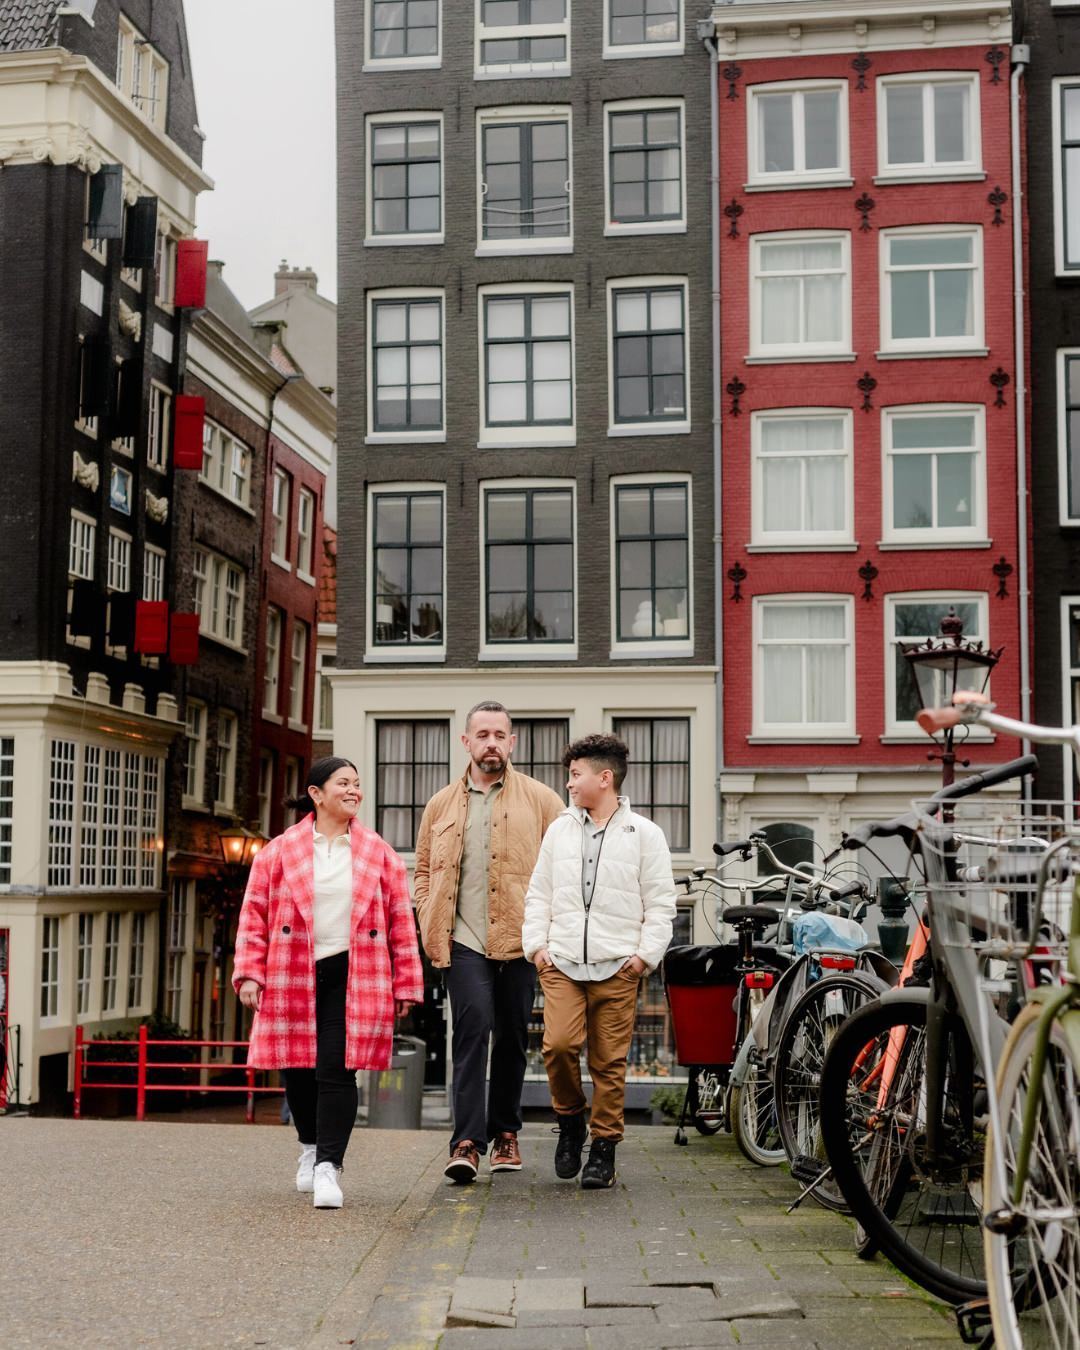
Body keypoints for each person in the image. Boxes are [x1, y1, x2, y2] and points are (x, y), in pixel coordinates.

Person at [234, 756, 423, 1209]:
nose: (354, 791)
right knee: (297, 1068)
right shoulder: (278, 852)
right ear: (316, 794)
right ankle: (309, 1147)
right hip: (292, 969)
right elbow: (254, 915)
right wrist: (249, 973)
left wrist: (407, 984)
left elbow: (401, 921)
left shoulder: (380, 854)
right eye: (344, 783)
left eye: (357, 784)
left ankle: (329, 1167)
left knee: (338, 1069)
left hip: (354, 973)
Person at [414, 702, 564, 1183]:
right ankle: (465, 1142)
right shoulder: (439, 804)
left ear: (512, 742)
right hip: (462, 939)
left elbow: (566, 864)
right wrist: (426, 912)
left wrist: (551, 930)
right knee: (473, 1028)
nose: (492, 743)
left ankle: (505, 1134)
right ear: (466, 742)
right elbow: (422, 870)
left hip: (522, 938)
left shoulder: (542, 800)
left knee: (514, 1037)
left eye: (500, 734)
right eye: (483, 734)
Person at [522, 733, 677, 1189]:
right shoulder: (559, 829)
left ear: (604, 778)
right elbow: (539, 893)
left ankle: (603, 1149)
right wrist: (538, 948)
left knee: (609, 1063)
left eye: (576, 775)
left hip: (618, 967)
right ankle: (570, 1123)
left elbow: (662, 902)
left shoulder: (645, 834)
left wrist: (644, 957)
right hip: (563, 962)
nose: (569, 784)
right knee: (559, 1046)